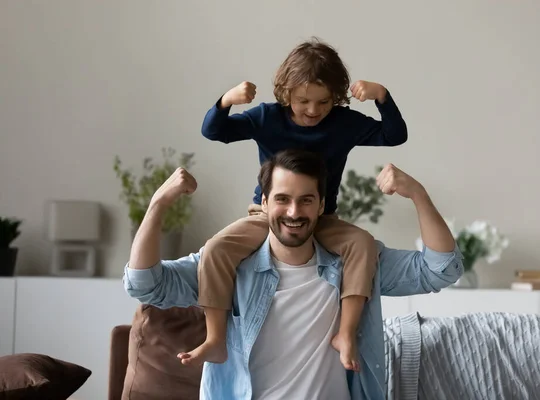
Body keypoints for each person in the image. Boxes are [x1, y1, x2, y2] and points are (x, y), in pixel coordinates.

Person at [123, 149, 464, 400]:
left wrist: (418, 195)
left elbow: (441, 270)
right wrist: (157, 205)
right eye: (283, 199)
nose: (293, 212)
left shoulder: (355, 263)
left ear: (320, 205)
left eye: (305, 201)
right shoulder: (230, 265)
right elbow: (146, 285)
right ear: (265, 203)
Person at [191, 37, 409, 371]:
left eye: (323, 102)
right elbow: (213, 131)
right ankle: (215, 338)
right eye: (303, 100)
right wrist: (226, 101)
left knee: (363, 244)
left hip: (323, 219)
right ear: (285, 92)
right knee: (216, 248)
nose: (312, 110)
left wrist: (381, 95)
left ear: (335, 98)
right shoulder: (267, 117)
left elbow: (394, 135)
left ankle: (346, 334)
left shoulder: (344, 123)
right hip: (268, 217)